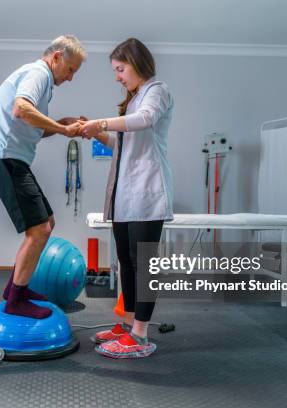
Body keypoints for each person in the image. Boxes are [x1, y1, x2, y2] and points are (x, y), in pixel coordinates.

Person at [0, 35, 86, 319]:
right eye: (71, 69)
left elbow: (32, 126)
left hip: (13, 161)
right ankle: (16, 300)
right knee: (39, 230)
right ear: (56, 58)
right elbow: (21, 109)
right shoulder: (38, 72)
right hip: (5, 160)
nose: (71, 77)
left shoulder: (43, 82)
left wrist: (60, 124)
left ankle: (17, 290)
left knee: (47, 223)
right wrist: (64, 131)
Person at [80, 38, 174, 358]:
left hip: (147, 194)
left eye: (120, 69)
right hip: (125, 196)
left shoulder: (156, 91)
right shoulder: (132, 101)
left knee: (143, 264)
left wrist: (102, 121)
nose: (118, 76)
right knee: (126, 263)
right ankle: (130, 323)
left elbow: (146, 120)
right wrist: (97, 133)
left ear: (137, 63)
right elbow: (124, 146)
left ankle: (141, 335)